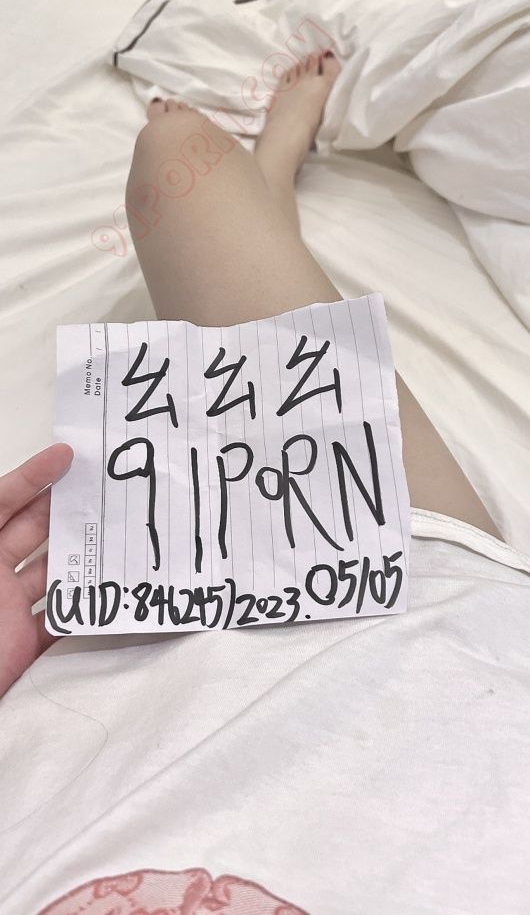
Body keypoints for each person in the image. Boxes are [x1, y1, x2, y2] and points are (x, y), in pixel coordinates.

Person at [0, 51, 502, 699]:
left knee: (177, 148)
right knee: (181, 149)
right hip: (435, 605)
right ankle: (272, 179)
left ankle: (270, 181)